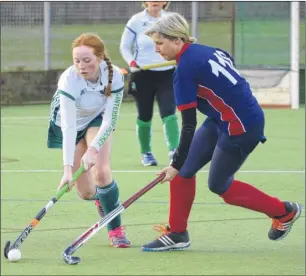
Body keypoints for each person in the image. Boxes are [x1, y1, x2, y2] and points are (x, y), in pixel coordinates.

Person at [141, 13, 303, 252]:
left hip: (241, 127)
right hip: (222, 119)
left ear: (177, 40)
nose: (156, 50)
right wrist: (179, 164)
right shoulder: (210, 50)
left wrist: (174, 163)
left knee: (219, 185)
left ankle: (285, 211)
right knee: (184, 171)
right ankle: (177, 233)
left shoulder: (184, 71)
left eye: (159, 43)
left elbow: (188, 124)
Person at [47, 32, 130, 248]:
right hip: (71, 125)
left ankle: (116, 230)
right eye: (77, 61)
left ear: (100, 58)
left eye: (87, 60)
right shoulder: (69, 80)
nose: (82, 66)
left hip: (97, 119)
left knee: (101, 172)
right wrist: (67, 170)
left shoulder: (115, 76)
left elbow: (109, 121)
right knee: (85, 192)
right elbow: (68, 126)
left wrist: (93, 149)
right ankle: (102, 201)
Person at [119, 1, 180, 166]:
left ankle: (175, 151)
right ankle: (146, 153)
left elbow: (182, 43)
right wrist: (132, 62)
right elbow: (124, 47)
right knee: (144, 115)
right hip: (142, 75)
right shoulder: (136, 21)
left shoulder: (172, 20)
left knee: (169, 111)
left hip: (167, 74)